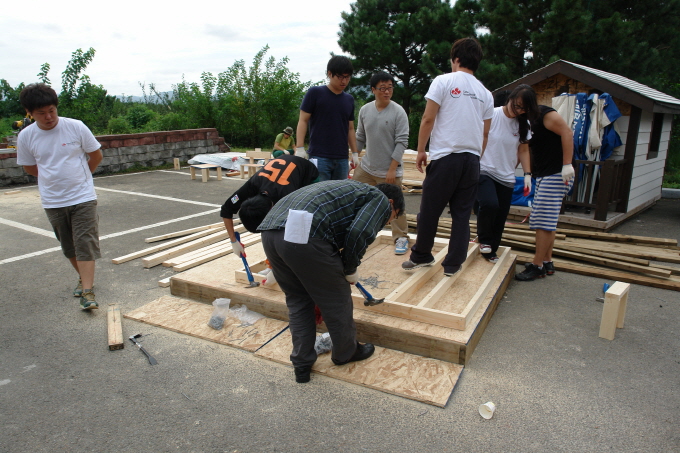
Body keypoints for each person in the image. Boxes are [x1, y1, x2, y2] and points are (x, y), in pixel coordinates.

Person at [258, 180, 405, 383]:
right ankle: (346, 353)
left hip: (270, 233)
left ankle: (302, 364)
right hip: (304, 235)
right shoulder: (380, 199)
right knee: (337, 300)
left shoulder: (348, 192)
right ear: (391, 203)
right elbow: (359, 232)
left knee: (298, 300)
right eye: (393, 217)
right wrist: (350, 268)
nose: (388, 222)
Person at [402, 37, 494, 276]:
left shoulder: (443, 81)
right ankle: (453, 265)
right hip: (472, 159)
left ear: (456, 59)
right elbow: (485, 133)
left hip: (447, 157)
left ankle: (422, 255)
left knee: (430, 211)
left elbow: (428, 118)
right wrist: (476, 158)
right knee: (462, 214)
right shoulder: (486, 93)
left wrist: (421, 150)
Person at [16, 83, 103, 310]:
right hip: (53, 200)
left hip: (83, 196)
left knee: (85, 242)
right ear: (29, 113)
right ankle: (83, 278)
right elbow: (29, 167)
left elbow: (96, 155)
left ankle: (88, 292)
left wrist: (82, 177)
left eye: (51, 110)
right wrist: (52, 179)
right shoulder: (26, 136)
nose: (48, 117)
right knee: (68, 246)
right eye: (41, 113)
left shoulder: (75, 127)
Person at [476, 84, 539, 263]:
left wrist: (527, 174)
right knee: (490, 204)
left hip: (506, 175)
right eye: (516, 105)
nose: (517, 111)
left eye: (523, 109)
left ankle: (491, 250)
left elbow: (524, 151)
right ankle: (484, 240)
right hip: (485, 168)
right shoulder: (492, 114)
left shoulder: (524, 124)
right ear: (510, 98)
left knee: (501, 215)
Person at [353, 71, 411, 255]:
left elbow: (402, 142)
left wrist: (392, 169)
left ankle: (401, 237)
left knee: (395, 206)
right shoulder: (365, 110)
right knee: (354, 195)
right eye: (382, 88)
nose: (387, 92)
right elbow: (360, 137)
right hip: (367, 168)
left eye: (390, 88)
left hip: (389, 170)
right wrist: (353, 156)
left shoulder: (398, 112)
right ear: (373, 90)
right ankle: (355, 233)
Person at [515, 104, 575, 281]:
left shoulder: (544, 114)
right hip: (544, 174)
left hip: (557, 173)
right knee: (548, 220)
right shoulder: (524, 121)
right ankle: (547, 261)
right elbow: (523, 149)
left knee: (542, 221)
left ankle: (537, 265)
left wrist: (567, 164)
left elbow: (567, 132)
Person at [220, 154, 319, 257]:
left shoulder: (288, 199)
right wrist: (234, 241)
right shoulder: (251, 187)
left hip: (307, 171)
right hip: (281, 167)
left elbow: (296, 231)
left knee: (307, 220)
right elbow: (226, 210)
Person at [296, 55, 358, 181]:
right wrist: (300, 147)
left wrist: (355, 152)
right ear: (330, 74)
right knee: (319, 191)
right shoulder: (315, 93)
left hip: (341, 157)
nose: (344, 81)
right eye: (340, 77)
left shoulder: (349, 99)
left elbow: (350, 128)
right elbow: (303, 120)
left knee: (340, 191)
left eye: (347, 77)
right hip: (319, 156)